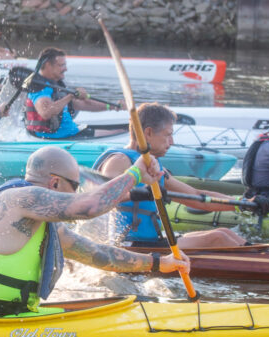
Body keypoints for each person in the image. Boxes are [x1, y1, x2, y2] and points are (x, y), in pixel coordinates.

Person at [0, 146, 189, 317]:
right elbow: (89, 206)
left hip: (4, 315)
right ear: (54, 183)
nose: (77, 193)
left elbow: (99, 255)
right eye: (75, 186)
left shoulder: (40, 223)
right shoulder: (19, 198)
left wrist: (160, 263)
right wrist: (135, 173)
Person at [94, 103, 249, 248]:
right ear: (148, 133)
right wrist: (136, 194)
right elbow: (102, 196)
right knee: (218, 239)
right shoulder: (119, 160)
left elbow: (197, 196)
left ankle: (265, 258)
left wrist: (240, 203)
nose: (172, 142)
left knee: (224, 233)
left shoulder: (156, 168)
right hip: (124, 245)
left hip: (151, 241)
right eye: (167, 135)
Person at [24, 47, 126, 139]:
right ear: (48, 66)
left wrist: (112, 106)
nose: (65, 69)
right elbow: (46, 112)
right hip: (54, 138)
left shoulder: (55, 85)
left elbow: (84, 104)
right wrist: (70, 96)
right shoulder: (39, 87)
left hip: (70, 133)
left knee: (122, 131)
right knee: (122, 132)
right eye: (61, 65)